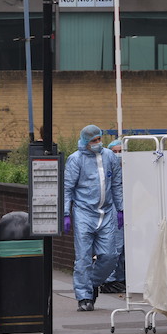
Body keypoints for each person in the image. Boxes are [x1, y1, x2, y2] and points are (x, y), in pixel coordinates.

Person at [63, 125, 124, 311]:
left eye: (99, 139)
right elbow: (67, 188)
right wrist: (66, 213)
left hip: (106, 212)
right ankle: (84, 297)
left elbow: (116, 184)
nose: (98, 144)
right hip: (84, 212)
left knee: (111, 255)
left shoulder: (109, 157)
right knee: (83, 257)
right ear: (85, 142)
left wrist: (120, 209)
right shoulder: (76, 159)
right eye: (93, 141)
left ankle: (91, 284)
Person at [99, 139, 127, 294]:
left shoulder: (129, 171)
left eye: (121, 151)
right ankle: (109, 280)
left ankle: (120, 278)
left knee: (124, 250)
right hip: (112, 212)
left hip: (124, 211)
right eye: (115, 151)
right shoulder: (105, 170)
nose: (118, 155)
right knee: (114, 246)